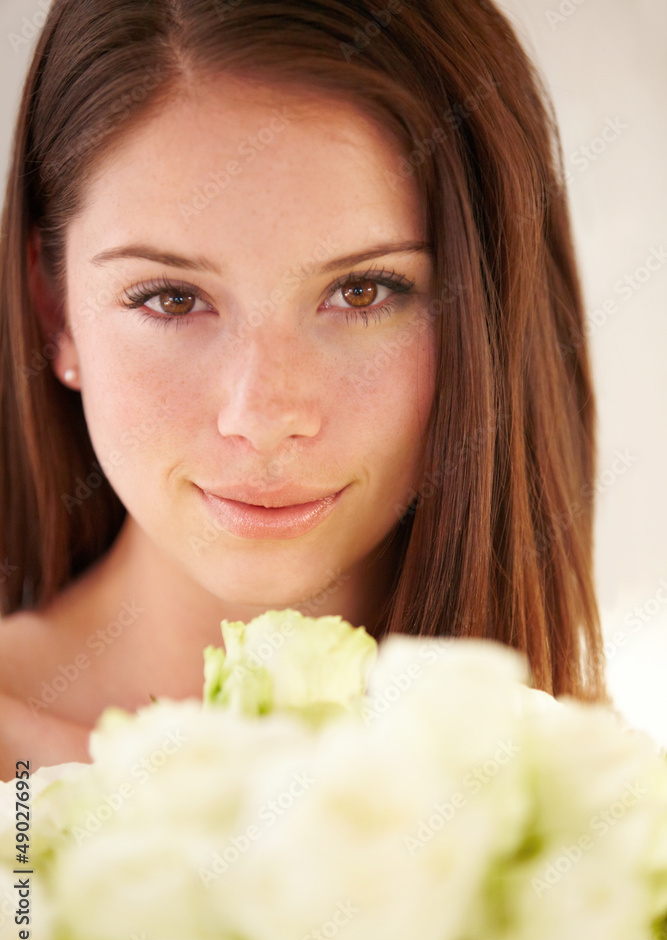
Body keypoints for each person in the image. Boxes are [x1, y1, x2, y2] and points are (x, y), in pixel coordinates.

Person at [0, 0, 607, 778]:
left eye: (362, 293)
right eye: (170, 299)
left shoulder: (587, 796)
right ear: (55, 313)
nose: (261, 417)